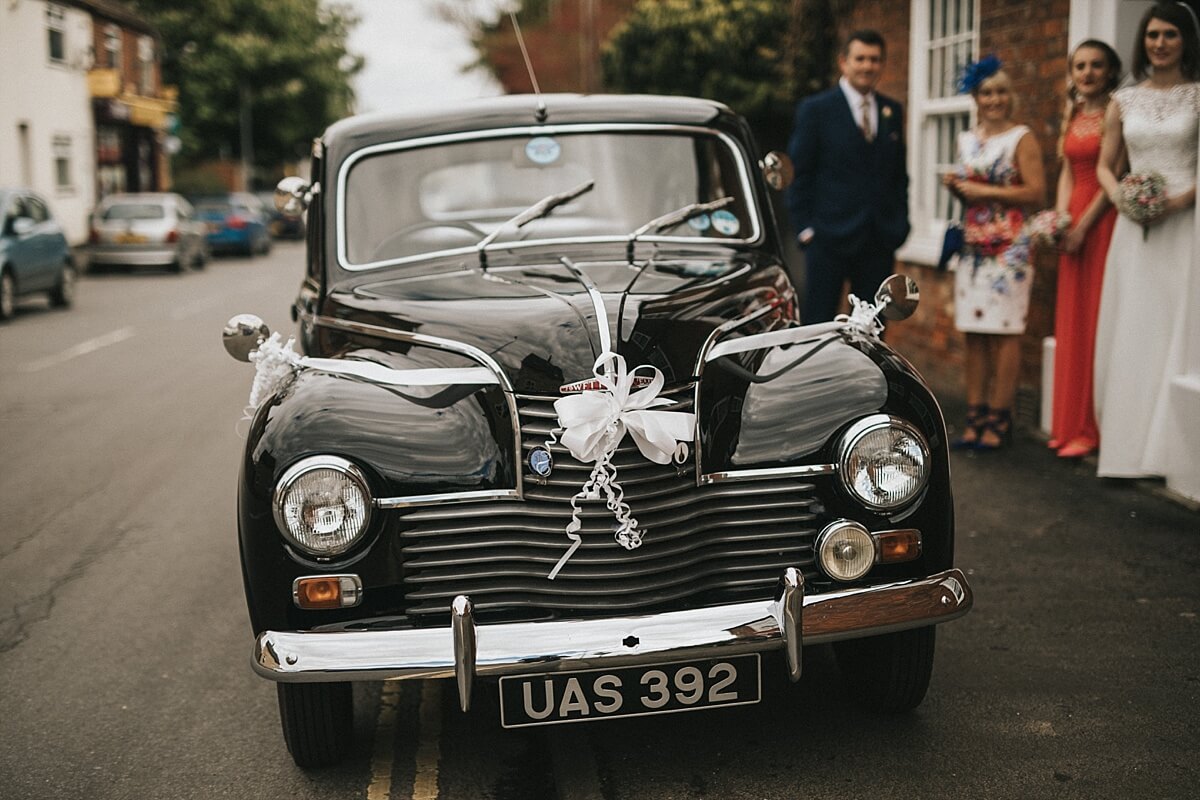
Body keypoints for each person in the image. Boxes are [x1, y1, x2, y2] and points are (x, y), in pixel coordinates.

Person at [1093, 2, 1199, 479]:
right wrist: (1126, 199)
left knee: (1180, 323)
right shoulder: (1123, 100)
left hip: (1185, 224)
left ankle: (1170, 449)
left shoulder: (1198, 96)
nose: (1160, 43)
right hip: (1134, 228)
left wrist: (1178, 201)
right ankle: (1128, 448)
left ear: (1185, 41)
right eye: (1153, 34)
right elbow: (1105, 165)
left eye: (1170, 35)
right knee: (1137, 324)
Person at [942, 58, 1047, 450]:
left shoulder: (1022, 138)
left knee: (1005, 332)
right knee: (974, 332)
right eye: (987, 92)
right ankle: (975, 414)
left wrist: (985, 192)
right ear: (976, 98)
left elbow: (1036, 192)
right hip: (973, 247)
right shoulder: (966, 140)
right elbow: (970, 192)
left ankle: (1000, 419)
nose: (995, 99)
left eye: (1001, 91)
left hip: (1011, 252)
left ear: (1010, 96)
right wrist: (957, 187)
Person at [786, 29, 910, 324]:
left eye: (875, 60)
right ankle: (817, 373)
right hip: (827, 239)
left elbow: (898, 175)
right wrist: (806, 230)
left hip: (878, 238)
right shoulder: (816, 110)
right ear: (844, 62)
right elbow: (799, 174)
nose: (868, 66)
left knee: (872, 328)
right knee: (818, 324)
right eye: (861, 59)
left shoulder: (892, 110)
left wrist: (899, 224)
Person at [1047, 41, 1124, 460]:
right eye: (1080, 66)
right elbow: (1066, 173)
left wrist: (1082, 226)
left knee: (1095, 319)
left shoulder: (1117, 110)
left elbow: (1112, 174)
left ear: (1110, 71)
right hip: (1072, 218)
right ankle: (1068, 423)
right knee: (1072, 321)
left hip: (1101, 220)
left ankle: (1091, 428)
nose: (1088, 72)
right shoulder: (1072, 113)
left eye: (1097, 65)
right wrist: (1060, 219)